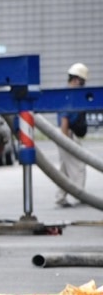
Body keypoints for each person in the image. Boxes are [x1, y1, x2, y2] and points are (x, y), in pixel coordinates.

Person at [56, 62, 89, 208]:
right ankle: (79, 194)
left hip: (65, 134)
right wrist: (65, 140)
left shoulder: (69, 94)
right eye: (82, 82)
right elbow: (64, 118)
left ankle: (60, 197)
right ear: (76, 80)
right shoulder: (70, 95)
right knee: (78, 166)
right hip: (68, 134)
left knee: (64, 168)